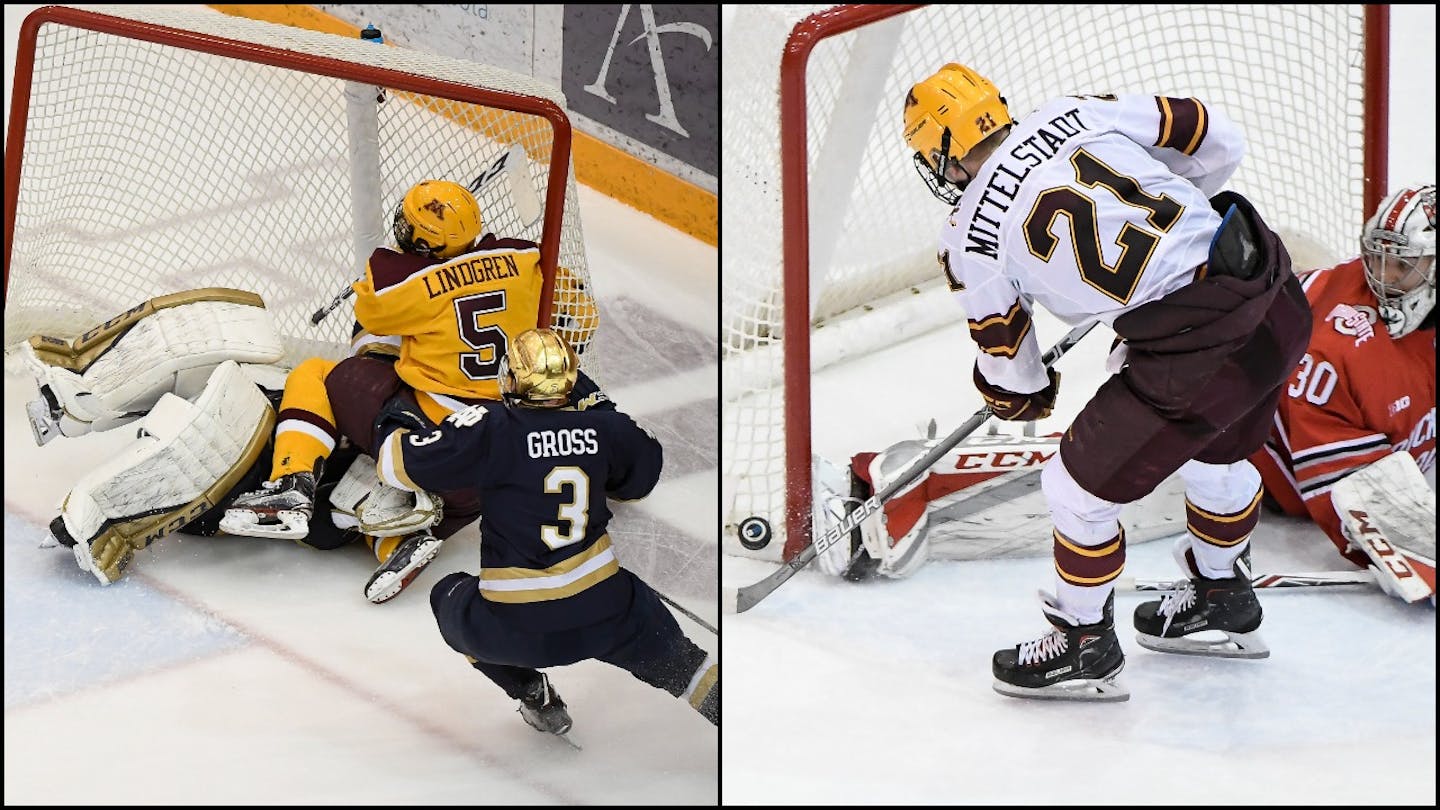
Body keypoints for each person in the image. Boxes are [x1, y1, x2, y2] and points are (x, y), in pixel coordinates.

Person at [901, 64, 1312, 701]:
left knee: (1073, 487)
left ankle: (1082, 642)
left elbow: (1012, 366)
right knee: (1217, 443)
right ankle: (1221, 590)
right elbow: (1216, 135)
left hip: (1199, 348)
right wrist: (1174, 240)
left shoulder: (966, 237)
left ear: (946, 150)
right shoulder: (1074, 111)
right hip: (1275, 299)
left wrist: (1021, 393)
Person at [222, 179, 596, 603]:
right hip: (497, 457)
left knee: (316, 374)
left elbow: (371, 312)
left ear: (423, 239)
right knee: (369, 500)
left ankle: (290, 483)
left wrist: (411, 266)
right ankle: (398, 544)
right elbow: (582, 310)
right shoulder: (524, 257)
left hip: (430, 434)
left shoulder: (403, 283)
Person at [373, 327, 718, 735]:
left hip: (512, 629)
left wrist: (395, 421)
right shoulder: (606, 429)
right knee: (690, 671)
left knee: (446, 594)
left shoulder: (494, 426)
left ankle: (532, 693)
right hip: (610, 613)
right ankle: (751, 734)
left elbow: (394, 466)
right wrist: (601, 409)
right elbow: (637, 485)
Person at [1247, 183, 1435, 591]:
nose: (1383, 277)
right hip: (1271, 472)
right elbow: (1361, 502)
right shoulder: (1339, 357)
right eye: (1377, 259)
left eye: (1402, 265)